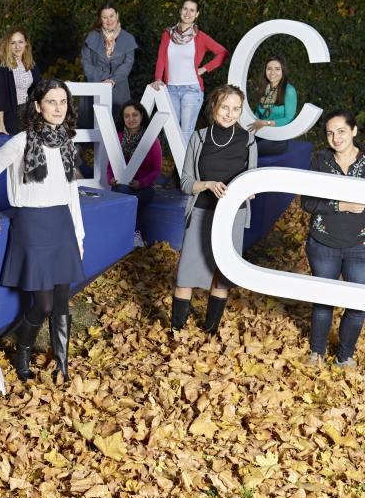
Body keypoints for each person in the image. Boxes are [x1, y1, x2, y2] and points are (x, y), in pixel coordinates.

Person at [0, 79, 85, 383]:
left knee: (62, 301)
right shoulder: (21, 141)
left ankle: (62, 365)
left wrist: (78, 236)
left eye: (62, 102)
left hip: (62, 224)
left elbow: (71, 191)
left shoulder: (66, 141)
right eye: (51, 101)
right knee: (44, 303)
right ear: (37, 106)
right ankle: (22, 350)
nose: (58, 108)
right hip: (33, 225)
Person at [171, 84, 257, 335]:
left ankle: (210, 332)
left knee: (221, 275)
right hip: (201, 212)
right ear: (214, 107)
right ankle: (176, 332)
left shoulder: (249, 140)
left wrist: (250, 190)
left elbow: (252, 179)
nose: (230, 114)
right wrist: (207, 184)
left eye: (236, 109)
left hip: (233, 216)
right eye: (225, 107)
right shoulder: (198, 138)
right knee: (185, 275)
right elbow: (185, 183)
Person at [301, 110, 365, 368]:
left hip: (360, 246)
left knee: (358, 303)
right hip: (323, 243)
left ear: (354, 131)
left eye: (341, 131)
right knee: (323, 300)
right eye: (330, 133)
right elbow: (307, 202)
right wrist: (341, 205)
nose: (335, 137)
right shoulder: (319, 160)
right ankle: (316, 352)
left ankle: (345, 355)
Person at [152, 0, 229, 144]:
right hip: (171, 89)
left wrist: (204, 69)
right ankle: (183, 165)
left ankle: (185, 167)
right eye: (185, 9)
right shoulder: (167, 34)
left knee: (185, 134)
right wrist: (158, 78)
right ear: (180, 11)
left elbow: (223, 53)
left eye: (192, 10)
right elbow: (161, 58)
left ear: (197, 14)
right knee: (171, 133)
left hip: (192, 90)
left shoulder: (200, 37)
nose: (188, 13)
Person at [107, 101, 162, 247]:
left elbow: (156, 169)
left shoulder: (152, 140)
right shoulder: (117, 138)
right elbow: (110, 165)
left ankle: (131, 234)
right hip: (121, 186)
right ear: (123, 119)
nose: (131, 119)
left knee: (131, 198)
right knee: (124, 192)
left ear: (142, 116)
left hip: (144, 188)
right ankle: (134, 234)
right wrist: (110, 179)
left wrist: (141, 183)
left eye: (134, 115)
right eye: (127, 116)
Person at [81, 3, 138, 123]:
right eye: (104, 17)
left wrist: (112, 80)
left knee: (118, 129)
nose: (109, 20)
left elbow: (127, 64)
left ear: (117, 15)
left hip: (119, 90)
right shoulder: (91, 37)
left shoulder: (128, 38)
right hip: (95, 88)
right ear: (100, 19)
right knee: (92, 128)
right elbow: (86, 63)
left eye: (111, 16)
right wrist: (100, 81)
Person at [0, 28, 41, 137]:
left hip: (29, 113)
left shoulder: (31, 64)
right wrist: (1, 124)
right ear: (7, 45)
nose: (17, 46)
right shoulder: (3, 65)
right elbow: (0, 95)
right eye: (13, 43)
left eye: (20, 42)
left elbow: (39, 88)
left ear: (26, 43)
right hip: (12, 114)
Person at [248, 55, 297, 155]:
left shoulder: (289, 90)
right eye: (269, 68)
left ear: (283, 71)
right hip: (261, 133)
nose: (272, 72)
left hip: (278, 137)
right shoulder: (263, 89)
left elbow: (288, 119)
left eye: (277, 69)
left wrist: (266, 123)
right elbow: (258, 114)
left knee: (250, 150)